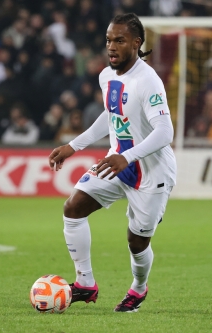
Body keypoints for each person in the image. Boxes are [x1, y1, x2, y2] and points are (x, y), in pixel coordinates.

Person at [48, 13, 176, 313]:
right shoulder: (107, 76)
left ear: (136, 43)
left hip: (151, 172)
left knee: (136, 242)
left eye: (119, 40)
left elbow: (165, 132)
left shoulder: (149, 81)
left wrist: (126, 156)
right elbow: (111, 114)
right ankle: (85, 284)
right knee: (73, 207)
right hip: (116, 162)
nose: (112, 46)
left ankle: (139, 288)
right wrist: (73, 145)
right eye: (108, 40)